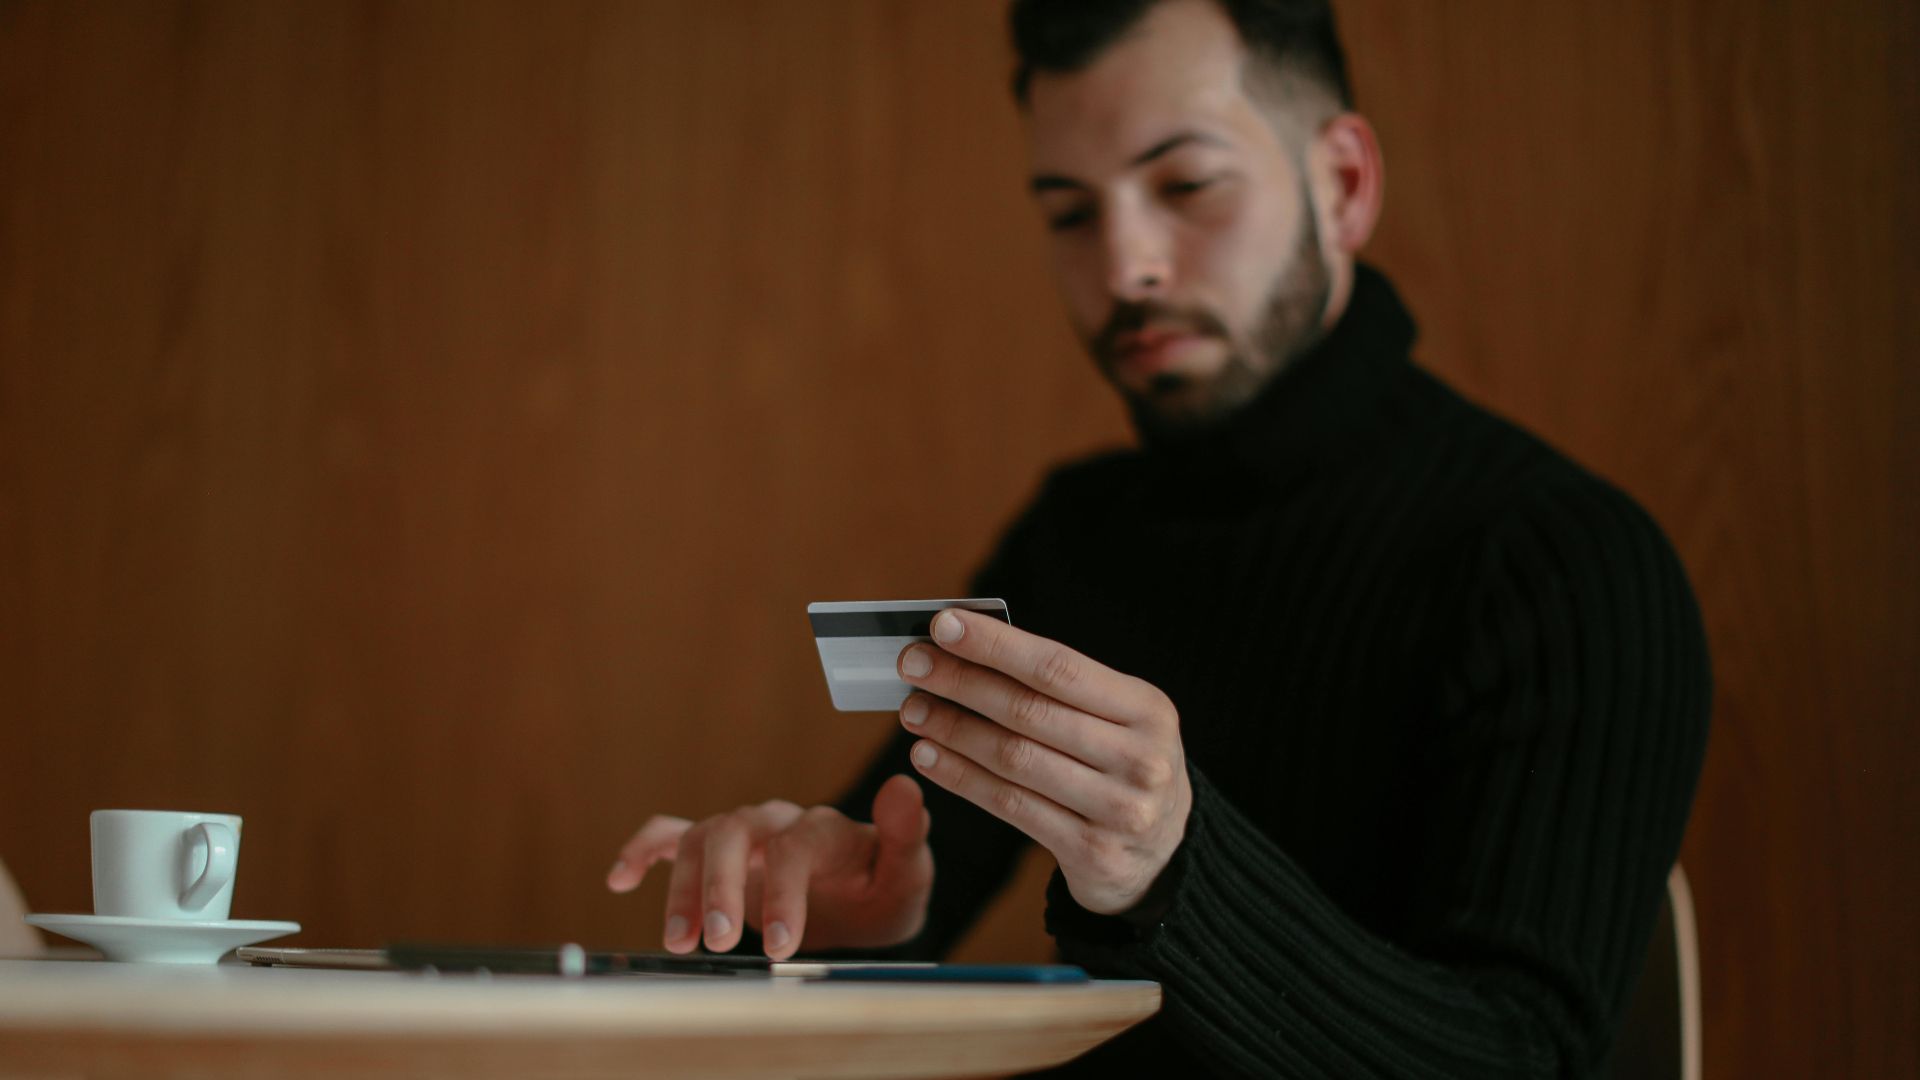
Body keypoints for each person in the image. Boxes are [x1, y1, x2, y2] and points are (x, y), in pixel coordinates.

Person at [607, 1, 1711, 1075]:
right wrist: (839, 935)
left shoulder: (1568, 563)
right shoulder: (1079, 537)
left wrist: (1174, 870)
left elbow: (1529, 1055)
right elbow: (894, 878)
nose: (1125, 268)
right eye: (1070, 211)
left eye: (1187, 185)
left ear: (1343, 184)